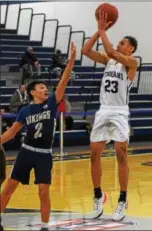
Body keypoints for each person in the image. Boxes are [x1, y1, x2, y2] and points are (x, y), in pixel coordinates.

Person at [0, 42, 76, 231]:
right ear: (33, 92)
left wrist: (71, 61)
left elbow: (63, 81)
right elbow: (12, 132)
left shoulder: (51, 104)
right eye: (41, 87)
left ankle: (44, 226)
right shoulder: (25, 110)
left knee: (43, 191)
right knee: (9, 188)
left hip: (44, 154)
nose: (45, 89)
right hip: (26, 152)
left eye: (45, 87)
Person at [82, 11, 138, 221]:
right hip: (103, 109)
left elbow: (113, 53)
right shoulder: (108, 60)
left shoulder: (131, 62)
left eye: (122, 42)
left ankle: (123, 200)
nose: (117, 44)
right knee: (94, 154)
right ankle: (98, 197)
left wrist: (102, 30)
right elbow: (86, 50)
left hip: (120, 111)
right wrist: (98, 33)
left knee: (120, 154)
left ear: (130, 48)